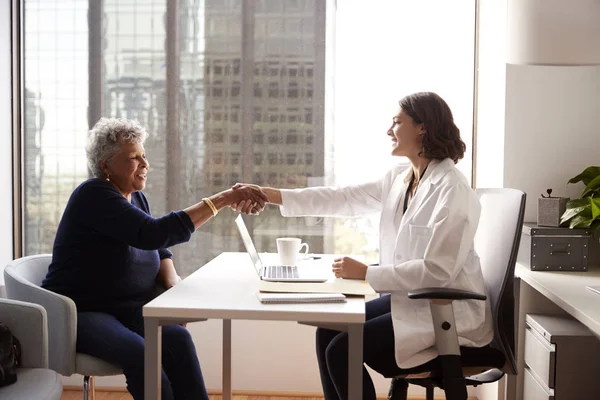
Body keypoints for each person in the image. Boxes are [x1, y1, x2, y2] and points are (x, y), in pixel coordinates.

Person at [231, 92, 493, 400]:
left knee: (342, 349)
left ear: (423, 128)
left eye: (397, 122)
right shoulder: (400, 178)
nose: (389, 130)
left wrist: (368, 273)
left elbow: (438, 271)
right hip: (412, 299)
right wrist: (267, 194)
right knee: (328, 329)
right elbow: (342, 198)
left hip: (445, 311)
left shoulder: (453, 190)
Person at [42, 117, 267, 400]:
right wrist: (221, 200)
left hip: (130, 309)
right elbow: (153, 234)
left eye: (144, 155)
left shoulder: (135, 197)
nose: (145, 164)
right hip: (83, 311)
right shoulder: (94, 195)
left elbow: (159, 250)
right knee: (140, 353)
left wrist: (172, 286)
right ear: (106, 166)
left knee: (178, 338)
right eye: (133, 158)